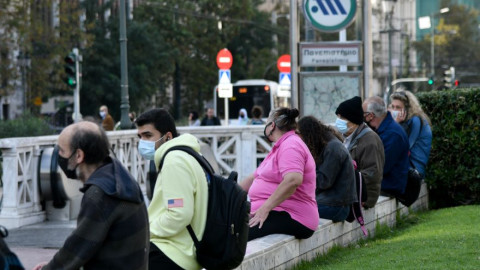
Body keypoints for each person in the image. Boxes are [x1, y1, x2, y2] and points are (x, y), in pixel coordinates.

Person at [33, 121, 149, 270]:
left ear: (79, 155)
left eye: (61, 151)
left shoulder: (99, 194)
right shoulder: (118, 176)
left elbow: (77, 248)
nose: (59, 156)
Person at [135, 108, 208, 270]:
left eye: (148, 136)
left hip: (173, 254)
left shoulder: (174, 162)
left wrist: (146, 231)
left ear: (168, 136)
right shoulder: (186, 154)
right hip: (182, 251)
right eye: (140, 137)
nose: (142, 142)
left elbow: (179, 214)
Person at [239, 108, 319, 241]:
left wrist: (264, 209)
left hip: (293, 215)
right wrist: (228, 197)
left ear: (272, 125)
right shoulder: (280, 146)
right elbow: (253, 178)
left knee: (237, 237)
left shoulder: (291, 145)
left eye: (267, 122)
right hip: (278, 210)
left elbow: (293, 180)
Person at [298, 116, 357, 222]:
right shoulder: (329, 144)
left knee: (294, 211)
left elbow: (323, 181)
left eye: (300, 136)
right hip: (334, 203)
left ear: (308, 135)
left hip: (337, 206)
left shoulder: (333, 148)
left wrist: (301, 177)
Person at [335, 96, 385, 209]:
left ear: (353, 121)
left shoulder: (370, 140)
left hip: (363, 197)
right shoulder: (346, 137)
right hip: (351, 192)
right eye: (337, 116)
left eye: (342, 117)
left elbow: (371, 174)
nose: (338, 120)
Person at [363, 96, 409, 198]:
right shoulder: (386, 129)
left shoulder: (392, 134)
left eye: (364, 114)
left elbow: (382, 167)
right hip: (386, 184)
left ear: (371, 115)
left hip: (389, 186)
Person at [389, 90, 432, 177]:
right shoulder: (406, 122)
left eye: (398, 107)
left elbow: (402, 146)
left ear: (407, 109)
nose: (394, 110)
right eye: (393, 107)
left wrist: (395, 124)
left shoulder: (415, 121)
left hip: (414, 171)